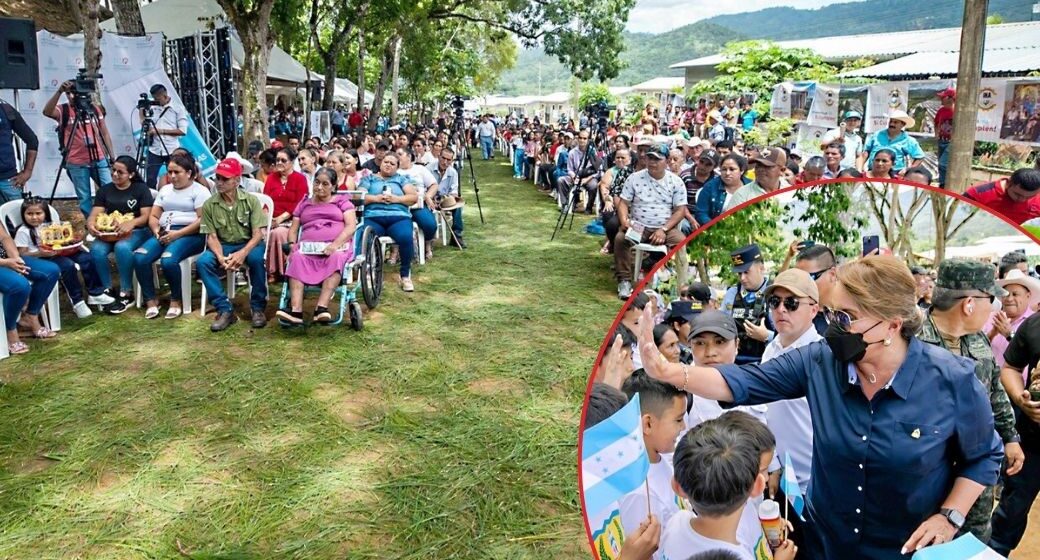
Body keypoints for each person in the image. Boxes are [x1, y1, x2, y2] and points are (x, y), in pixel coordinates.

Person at [635, 255, 1004, 560]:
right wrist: (671, 371)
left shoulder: (952, 380)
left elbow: (984, 456)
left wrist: (949, 516)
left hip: (904, 548)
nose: (833, 328)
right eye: (832, 314)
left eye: (846, 317)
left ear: (892, 324)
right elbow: (746, 383)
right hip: (827, 542)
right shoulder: (820, 362)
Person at [917, 259, 1023, 543]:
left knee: (972, 543)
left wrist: (1010, 437)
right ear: (969, 304)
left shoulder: (978, 339)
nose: (995, 307)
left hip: (977, 473)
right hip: (931, 477)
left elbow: (995, 390)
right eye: (991, 299)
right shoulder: (912, 342)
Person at [659, 416, 795, 560]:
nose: (767, 476)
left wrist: (766, 525)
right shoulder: (738, 556)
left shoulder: (676, 523)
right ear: (758, 485)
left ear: (677, 487)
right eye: (762, 470)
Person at [761, 268, 822, 523]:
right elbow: (762, 411)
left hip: (814, 483)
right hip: (778, 476)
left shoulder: (823, 356)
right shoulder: (771, 350)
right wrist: (772, 462)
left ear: (814, 310)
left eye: (792, 303)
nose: (781, 310)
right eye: (775, 302)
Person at [132, 151, 209, 320]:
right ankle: (151, 300)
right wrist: (157, 231)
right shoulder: (165, 190)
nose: (172, 176)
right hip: (164, 231)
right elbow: (153, 216)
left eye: (177, 172)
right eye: (170, 172)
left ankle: (176, 300)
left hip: (191, 234)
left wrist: (177, 234)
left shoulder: (200, 191)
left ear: (189, 173)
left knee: (168, 259)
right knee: (140, 257)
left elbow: (203, 220)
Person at [276, 167, 357, 325]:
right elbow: (293, 229)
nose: (320, 187)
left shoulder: (342, 202)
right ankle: (296, 311)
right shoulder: (305, 203)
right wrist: (292, 244)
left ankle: (321, 308)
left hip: (336, 245)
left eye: (325, 184)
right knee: (297, 257)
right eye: (317, 183)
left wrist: (334, 245)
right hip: (309, 246)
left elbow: (351, 226)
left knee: (336, 257)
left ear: (333, 186)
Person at [197, 158, 268, 332]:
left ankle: (258, 307)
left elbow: (258, 234)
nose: (219, 182)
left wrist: (242, 253)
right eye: (217, 178)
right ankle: (224, 309)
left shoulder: (251, 201)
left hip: (249, 243)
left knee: (257, 260)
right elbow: (212, 237)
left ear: (237, 180)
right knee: (203, 262)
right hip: (224, 244)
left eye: (224, 179)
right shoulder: (209, 204)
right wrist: (220, 257)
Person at [617, 370, 688, 541]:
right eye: (678, 420)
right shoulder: (640, 494)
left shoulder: (663, 458)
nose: (684, 426)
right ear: (647, 424)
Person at [990, 311, 1040, 556]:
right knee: (1012, 510)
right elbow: (1010, 367)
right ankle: (996, 552)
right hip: (1032, 440)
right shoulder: (1035, 324)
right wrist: (1021, 400)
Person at [613, 143, 686, 300]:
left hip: (664, 227)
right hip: (639, 226)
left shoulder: (676, 182)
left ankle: (681, 286)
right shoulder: (634, 178)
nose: (652, 162)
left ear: (666, 161)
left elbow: (680, 210)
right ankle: (624, 281)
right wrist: (624, 220)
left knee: (681, 241)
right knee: (621, 239)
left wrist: (664, 229)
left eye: (657, 159)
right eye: (650, 158)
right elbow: (623, 203)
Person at [14, 196, 104, 319]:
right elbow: (21, 254)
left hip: (59, 251)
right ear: (23, 215)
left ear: (45, 213)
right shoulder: (23, 231)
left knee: (86, 257)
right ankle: (77, 301)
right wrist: (40, 253)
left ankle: (96, 293)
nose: (34, 217)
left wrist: (72, 243)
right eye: (29, 213)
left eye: (38, 213)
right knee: (67, 265)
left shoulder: (53, 226)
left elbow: (63, 240)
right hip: (40, 259)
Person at [87, 155, 154, 314]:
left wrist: (131, 223)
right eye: (113, 171)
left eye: (120, 172)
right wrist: (91, 224)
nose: (115, 174)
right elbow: (95, 213)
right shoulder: (105, 190)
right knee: (96, 249)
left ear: (131, 174)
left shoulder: (140, 189)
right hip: (110, 232)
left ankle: (126, 291)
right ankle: (107, 290)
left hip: (138, 231)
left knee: (122, 247)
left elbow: (146, 216)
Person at [43, 79, 115, 217]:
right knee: (84, 196)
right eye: (68, 94)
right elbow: (47, 111)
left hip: (99, 157)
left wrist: (111, 157)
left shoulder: (94, 108)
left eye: (74, 93)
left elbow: (104, 132)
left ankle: (112, 217)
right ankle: (91, 221)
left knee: (109, 189)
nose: (71, 96)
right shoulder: (63, 109)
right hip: (76, 161)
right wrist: (59, 91)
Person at [358, 153, 419, 292]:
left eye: (392, 164)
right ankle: (368, 272)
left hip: (398, 217)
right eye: (386, 162)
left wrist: (396, 199)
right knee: (366, 238)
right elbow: (359, 196)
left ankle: (405, 275)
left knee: (405, 237)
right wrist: (375, 198)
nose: (388, 165)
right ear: (380, 163)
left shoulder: (402, 179)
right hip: (373, 216)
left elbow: (413, 197)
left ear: (397, 168)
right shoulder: (369, 178)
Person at [0, 224, 59, 354]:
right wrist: (6, 263)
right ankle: (10, 330)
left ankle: (31, 316)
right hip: (3, 263)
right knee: (19, 286)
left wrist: (15, 258)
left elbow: (4, 237)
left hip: (7, 259)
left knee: (51, 271)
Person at [720, 244, 774, 365]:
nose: (742, 278)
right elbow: (721, 325)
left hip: (766, 364)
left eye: (746, 272)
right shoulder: (732, 294)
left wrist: (766, 336)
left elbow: (788, 335)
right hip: (735, 364)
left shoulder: (775, 293)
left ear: (761, 268)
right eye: (739, 273)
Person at [263, 148, 309, 282]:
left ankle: (277, 271)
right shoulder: (271, 178)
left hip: (291, 220)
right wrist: (267, 217)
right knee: (259, 233)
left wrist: (281, 218)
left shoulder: (300, 179)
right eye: (277, 160)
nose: (279, 163)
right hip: (271, 218)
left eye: (283, 160)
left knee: (278, 233)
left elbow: (300, 203)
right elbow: (265, 200)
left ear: (291, 162)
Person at [985, 269, 1040, 369]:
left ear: (1028, 296)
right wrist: (992, 334)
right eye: (1005, 294)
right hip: (988, 381)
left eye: (1015, 294)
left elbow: (1034, 356)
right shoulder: (989, 317)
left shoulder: (1034, 323)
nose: (1009, 299)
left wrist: (1009, 334)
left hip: (1017, 383)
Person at [394, 147, 438, 260]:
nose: (396, 156)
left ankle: (427, 244)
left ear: (408, 156)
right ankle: (396, 251)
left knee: (430, 225)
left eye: (400, 154)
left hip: (418, 205)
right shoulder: (395, 171)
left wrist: (428, 195)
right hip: (400, 206)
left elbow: (434, 184)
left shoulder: (419, 169)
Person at [143, 84, 188, 190]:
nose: (156, 102)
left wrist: (160, 131)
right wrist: (142, 110)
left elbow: (182, 131)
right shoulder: (152, 107)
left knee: (175, 176)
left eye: (158, 99)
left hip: (171, 149)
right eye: (154, 99)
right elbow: (144, 123)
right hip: (154, 149)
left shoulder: (178, 108)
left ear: (164, 95)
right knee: (150, 179)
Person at [963, 168, 1040, 225]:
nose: (1022, 199)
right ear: (1008, 184)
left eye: (1030, 197)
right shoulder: (978, 194)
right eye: (1017, 194)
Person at [857, 110, 924, 176]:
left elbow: (919, 157)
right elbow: (866, 152)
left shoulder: (908, 140)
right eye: (891, 121)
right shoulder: (877, 135)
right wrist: (860, 168)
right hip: (873, 170)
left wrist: (908, 170)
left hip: (894, 173)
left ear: (903, 124)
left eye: (895, 122)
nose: (892, 124)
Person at [723, 147, 789, 211]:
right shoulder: (742, 195)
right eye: (758, 165)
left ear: (782, 170)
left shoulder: (791, 193)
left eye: (767, 166)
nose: (760, 169)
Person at [793, 243, 839, 335]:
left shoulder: (852, 311)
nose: (802, 285)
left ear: (832, 274)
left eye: (809, 278)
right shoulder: (794, 316)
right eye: (798, 278)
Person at [0, 97, 39, 203]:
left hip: (7, 179)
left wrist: (28, 172)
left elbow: (32, 140)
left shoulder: (5, 109)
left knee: (14, 218)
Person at [694, 154, 750, 226]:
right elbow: (701, 213)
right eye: (724, 169)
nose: (727, 173)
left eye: (732, 169)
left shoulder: (751, 187)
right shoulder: (710, 187)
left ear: (741, 170)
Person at [428, 146, 466, 248]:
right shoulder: (428, 169)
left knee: (458, 207)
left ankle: (457, 236)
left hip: (445, 200)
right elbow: (423, 189)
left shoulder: (453, 172)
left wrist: (446, 199)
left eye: (448, 160)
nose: (445, 162)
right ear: (439, 157)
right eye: (443, 158)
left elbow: (454, 192)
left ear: (452, 161)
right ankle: (429, 238)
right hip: (429, 199)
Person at [558, 130, 602, 214]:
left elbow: (598, 170)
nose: (582, 140)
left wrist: (586, 179)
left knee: (593, 185)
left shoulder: (593, 152)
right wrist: (574, 177)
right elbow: (569, 169)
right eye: (580, 138)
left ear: (588, 140)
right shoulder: (572, 152)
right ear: (577, 139)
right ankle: (565, 205)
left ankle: (589, 207)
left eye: (584, 138)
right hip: (576, 176)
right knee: (561, 180)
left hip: (589, 177)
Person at [934, 88, 955, 187]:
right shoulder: (941, 111)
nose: (941, 99)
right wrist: (936, 134)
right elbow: (936, 122)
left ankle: (944, 185)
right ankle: (943, 183)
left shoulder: (956, 111)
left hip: (951, 142)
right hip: (941, 140)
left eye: (943, 97)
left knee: (943, 164)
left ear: (949, 98)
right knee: (941, 164)